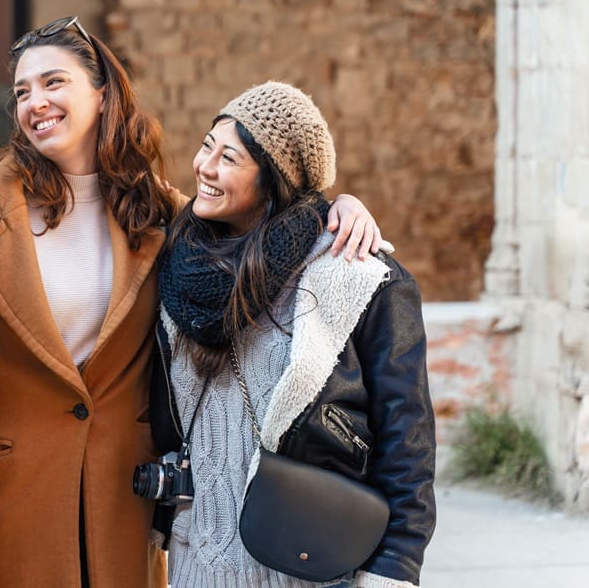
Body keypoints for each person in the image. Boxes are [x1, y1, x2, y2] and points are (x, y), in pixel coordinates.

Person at [0, 16, 384, 587]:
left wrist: (337, 207)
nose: (35, 103)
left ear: (102, 94)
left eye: (54, 82)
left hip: (122, 498)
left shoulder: (161, 214)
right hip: (11, 487)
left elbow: (261, 220)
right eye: (22, 91)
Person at [156, 81, 436, 587]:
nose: (205, 167)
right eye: (206, 146)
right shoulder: (178, 267)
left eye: (230, 158)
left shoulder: (352, 276)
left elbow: (407, 442)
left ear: (274, 180)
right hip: (196, 566)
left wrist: (395, 568)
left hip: (307, 569)